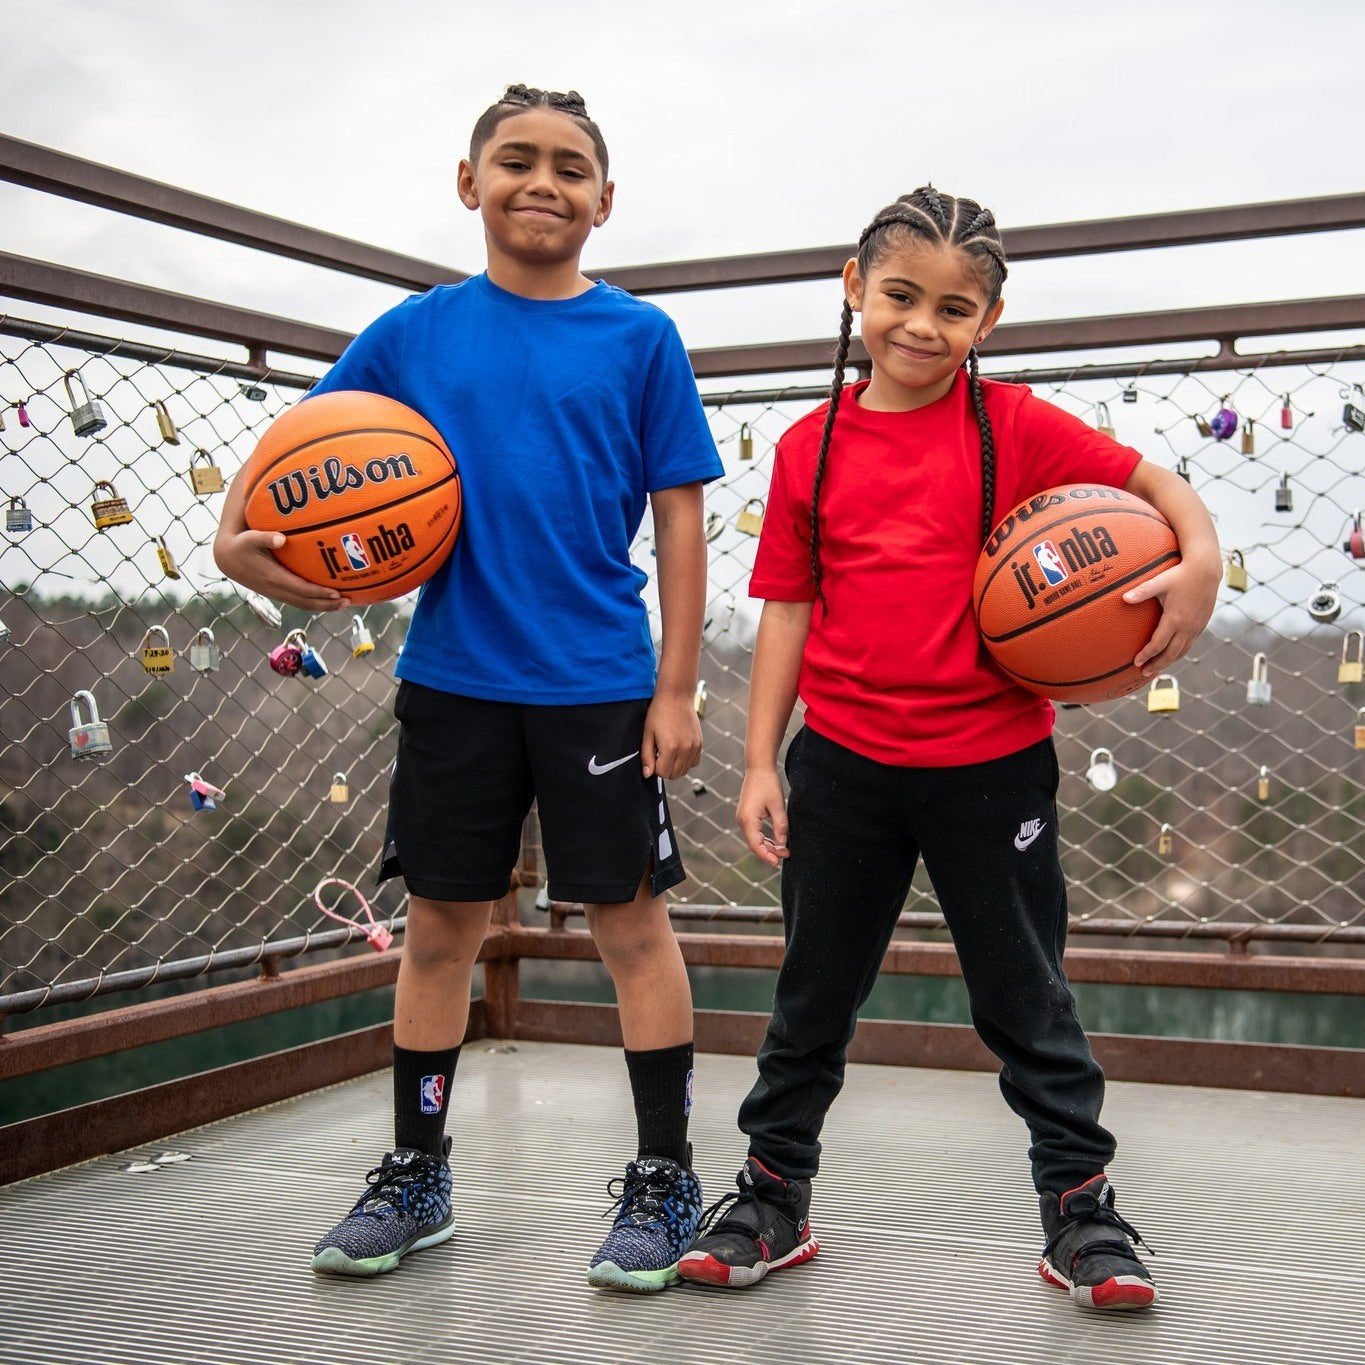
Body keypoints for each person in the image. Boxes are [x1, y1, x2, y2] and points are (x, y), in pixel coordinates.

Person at [213, 83, 723, 1294]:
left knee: (629, 927)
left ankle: (665, 1177)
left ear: (606, 200)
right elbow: (291, 460)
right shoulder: (414, 334)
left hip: (599, 683)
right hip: (453, 679)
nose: (542, 182)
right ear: (468, 182)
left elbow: (681, 518)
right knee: (441, 930)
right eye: (516, 160)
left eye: (569, 167)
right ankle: (418, 1172)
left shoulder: (640, 338)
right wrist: (240, 543)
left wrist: (677, 687)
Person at [676, 186, 1221, 1310]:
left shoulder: (1012, 426)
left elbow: (1156, 487)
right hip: (843, 763)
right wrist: (762, 760)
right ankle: (773, 1194)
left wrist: (1201, 556)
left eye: (955, 309)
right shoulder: (810, 446)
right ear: (854, 288)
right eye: (901, 296)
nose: (922, 326)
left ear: (990, 319)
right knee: (813, 995)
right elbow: (785, 610)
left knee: (1025, 997)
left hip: (990, 763)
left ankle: (1079, 1205)